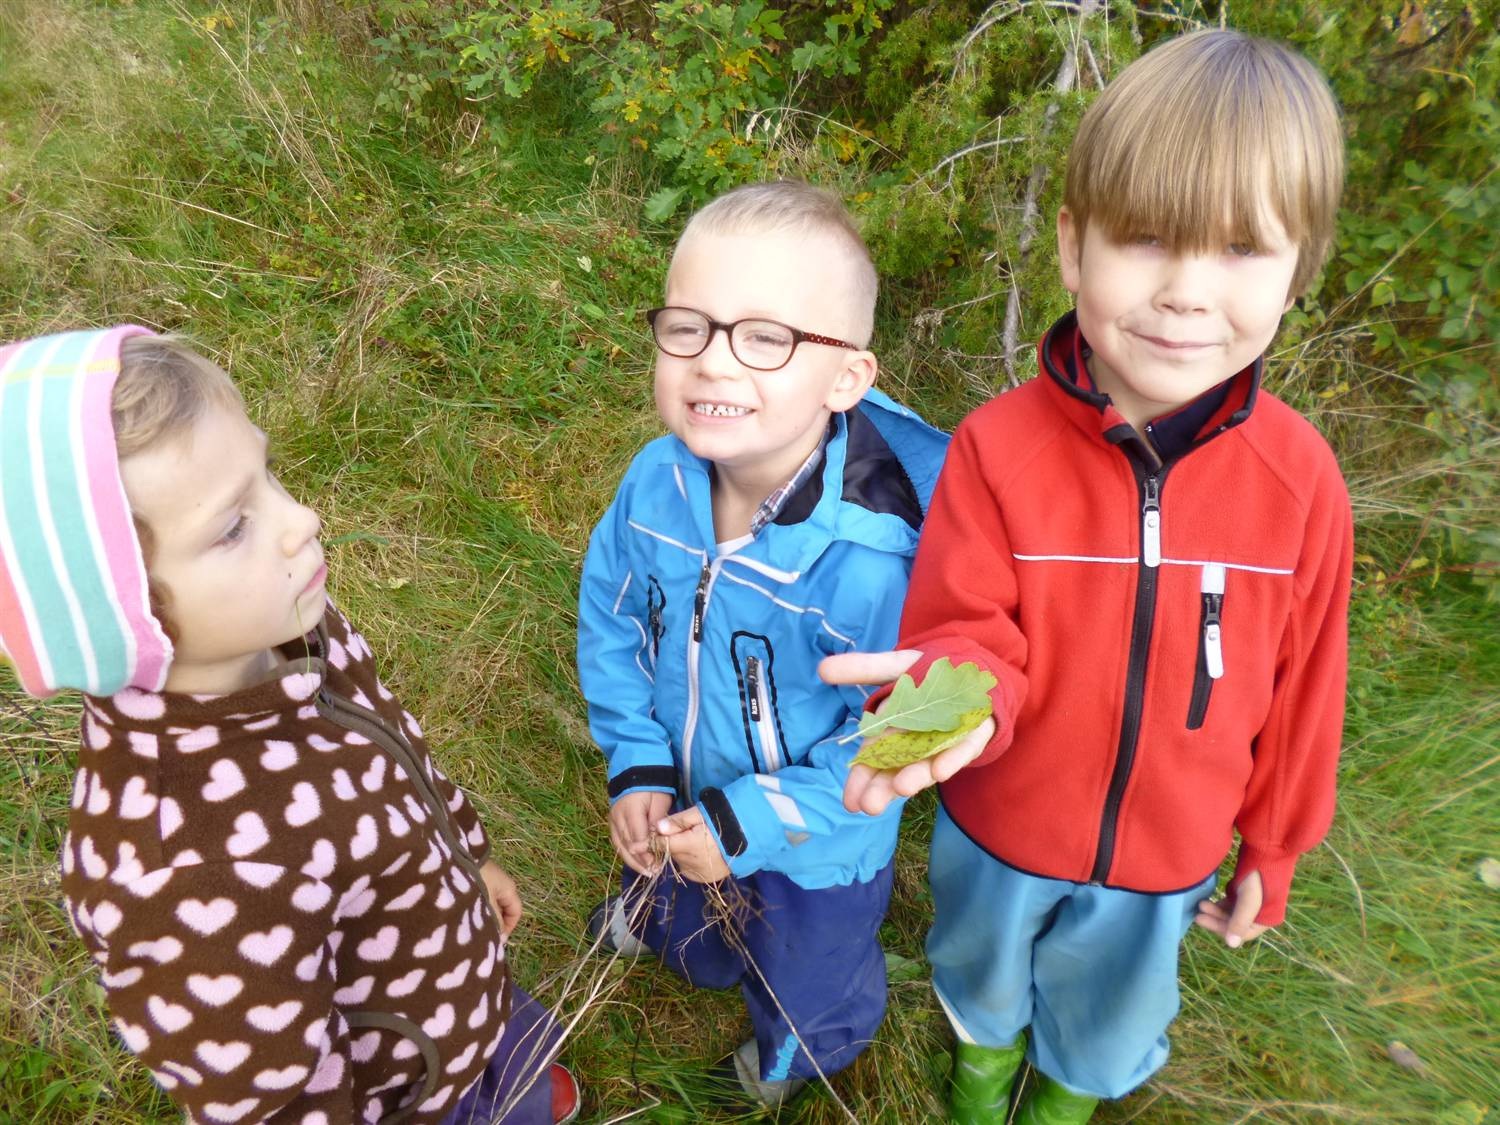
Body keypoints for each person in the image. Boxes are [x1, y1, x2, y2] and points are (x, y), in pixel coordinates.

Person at [820, 29, 1353, 1125]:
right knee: (979, 977)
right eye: (1147, 239)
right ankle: (977, 1083)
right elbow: (971, 625)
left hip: (1171, 855)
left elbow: (1306, 686)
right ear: (1072, 248)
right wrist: (949, 702)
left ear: (1299, 267)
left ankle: (1060, 1104)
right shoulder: (996, 449)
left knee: (1110, 1018)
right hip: (1001, 824)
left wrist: (1278, 841)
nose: (1185, 294)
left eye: (1244, 250)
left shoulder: (1301, 483)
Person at [0, 327, 579, 1125]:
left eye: (267, 475)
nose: (301, 517)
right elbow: (271, 1101)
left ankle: (504, 1075)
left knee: (503, 1042)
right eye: (233, 525)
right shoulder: (181, 875)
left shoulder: (293, 627)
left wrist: (468, 852)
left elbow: (394, 736)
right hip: (404, 1090)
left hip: (447, 972)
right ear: (114, 618)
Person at [576, 181, 949, 1105]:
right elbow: (613, 619)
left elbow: (893, 737)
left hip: (816, 845)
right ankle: (666, 922)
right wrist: (636, 761)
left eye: (767, 339)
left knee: (806, 965)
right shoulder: (655, 483)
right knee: (681, 872)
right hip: (685, 792)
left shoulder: (871, 562)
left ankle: (796, 1052)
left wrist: (755, 823)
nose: (714, 363)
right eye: (689, 326)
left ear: (847, 379)